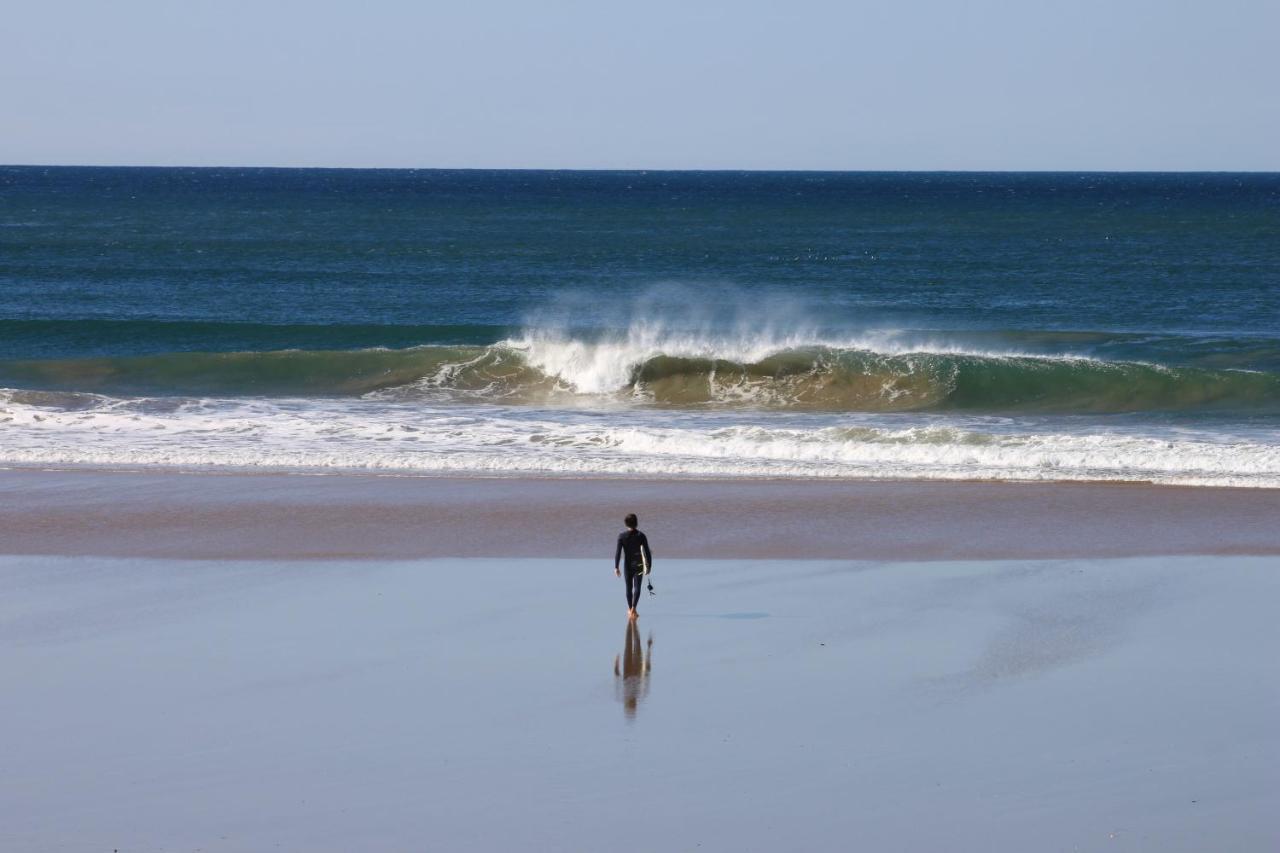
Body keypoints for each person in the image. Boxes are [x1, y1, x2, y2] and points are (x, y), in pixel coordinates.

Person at [613, 512, 652, 620]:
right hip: (639, 564)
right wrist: (649, 567)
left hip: (627, 565)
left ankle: (630, 609)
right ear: (636, 523)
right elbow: (647, 552)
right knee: (637, 587)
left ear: (626, 523)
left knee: (628, 588)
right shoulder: (641, 535)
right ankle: (634, 608)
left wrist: (616, 567)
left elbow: (618, 553)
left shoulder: (621, 536)